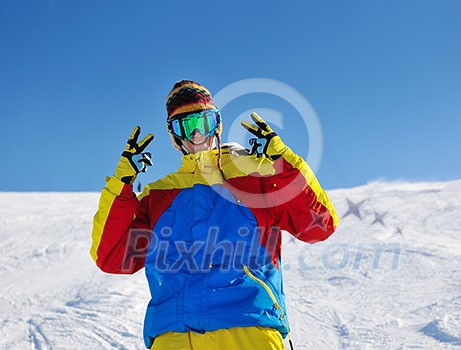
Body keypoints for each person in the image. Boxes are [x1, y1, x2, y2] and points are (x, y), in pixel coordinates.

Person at [90, 80, 339, 349]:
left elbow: (319, 225)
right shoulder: (158, 195)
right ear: (174, 137)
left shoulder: (256, 177)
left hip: (250, 332)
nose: (197, 134)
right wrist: (121, 185)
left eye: (204, 122)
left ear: (217, 124)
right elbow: (111, 257)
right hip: (174, 337)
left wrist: (284, 163)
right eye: (185, 126)